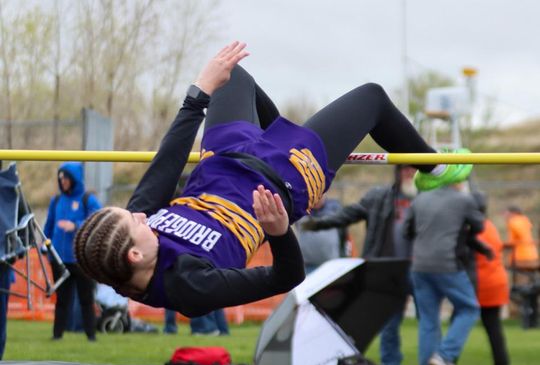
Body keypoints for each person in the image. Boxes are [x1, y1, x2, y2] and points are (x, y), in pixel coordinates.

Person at [74, 41, 472, 318]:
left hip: (224, 156)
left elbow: (167, 164)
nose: (141, 216)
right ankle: (435, 169)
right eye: (135, 222)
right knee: (371, 97)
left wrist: (199, 93)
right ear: (135, 256)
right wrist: (280, 232)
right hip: (284, 175)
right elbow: (286, 277)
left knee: (233, 73)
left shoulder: (130, 242)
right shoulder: (188, 287)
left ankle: (276, 129)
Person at [302, 164, 417, 365]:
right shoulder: (378, 197)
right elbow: (348, 215)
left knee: (429, 319)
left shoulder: (424, 199)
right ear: (398, 171)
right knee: (386, 321)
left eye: (414, 169)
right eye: (405, 169)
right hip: (387, 268)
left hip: (419, 267)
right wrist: (319, 224)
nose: (409, 173)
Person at [404, 181, 482, 365]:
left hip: (420, 266)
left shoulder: (419, 199)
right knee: (469, 308)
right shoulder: (463, 200)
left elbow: (407, 230)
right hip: (447, 264)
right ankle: (445, 355)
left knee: (428, 321)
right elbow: (479, 225)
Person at [44, 162, 101, 341]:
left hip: (81, 259)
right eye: (60, 178)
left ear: (74, 179)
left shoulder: (88, 200)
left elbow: (98, 222)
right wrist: (45, 247)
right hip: (60, 260)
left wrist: (75, 225)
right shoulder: (56, 201)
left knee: (86, 299)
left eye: (66, 178)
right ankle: (57, 335)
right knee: (61, 300)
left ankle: (91, 335)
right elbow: (49, 225)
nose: (62, 181)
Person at [472, 192, 511, 365]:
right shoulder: (490, 225)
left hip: (482, 282)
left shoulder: (474, 228)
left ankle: (447, 358)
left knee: (460, 320)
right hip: (497, 280)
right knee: (493, 327)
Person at [295, 193, 349, 274]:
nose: (317, 197)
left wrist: (343, 260)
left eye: (320, 194)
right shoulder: (302, 210)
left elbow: (343, 236)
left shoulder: (335, 209)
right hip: (308, 267)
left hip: (333, 267)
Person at [504, 206, 539, 270]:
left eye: (507, 213)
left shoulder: (514, 222)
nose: (505, 215)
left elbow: (520, 235)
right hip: (533, 255)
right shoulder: (525, 220)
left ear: (513, 213)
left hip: (520, 257)